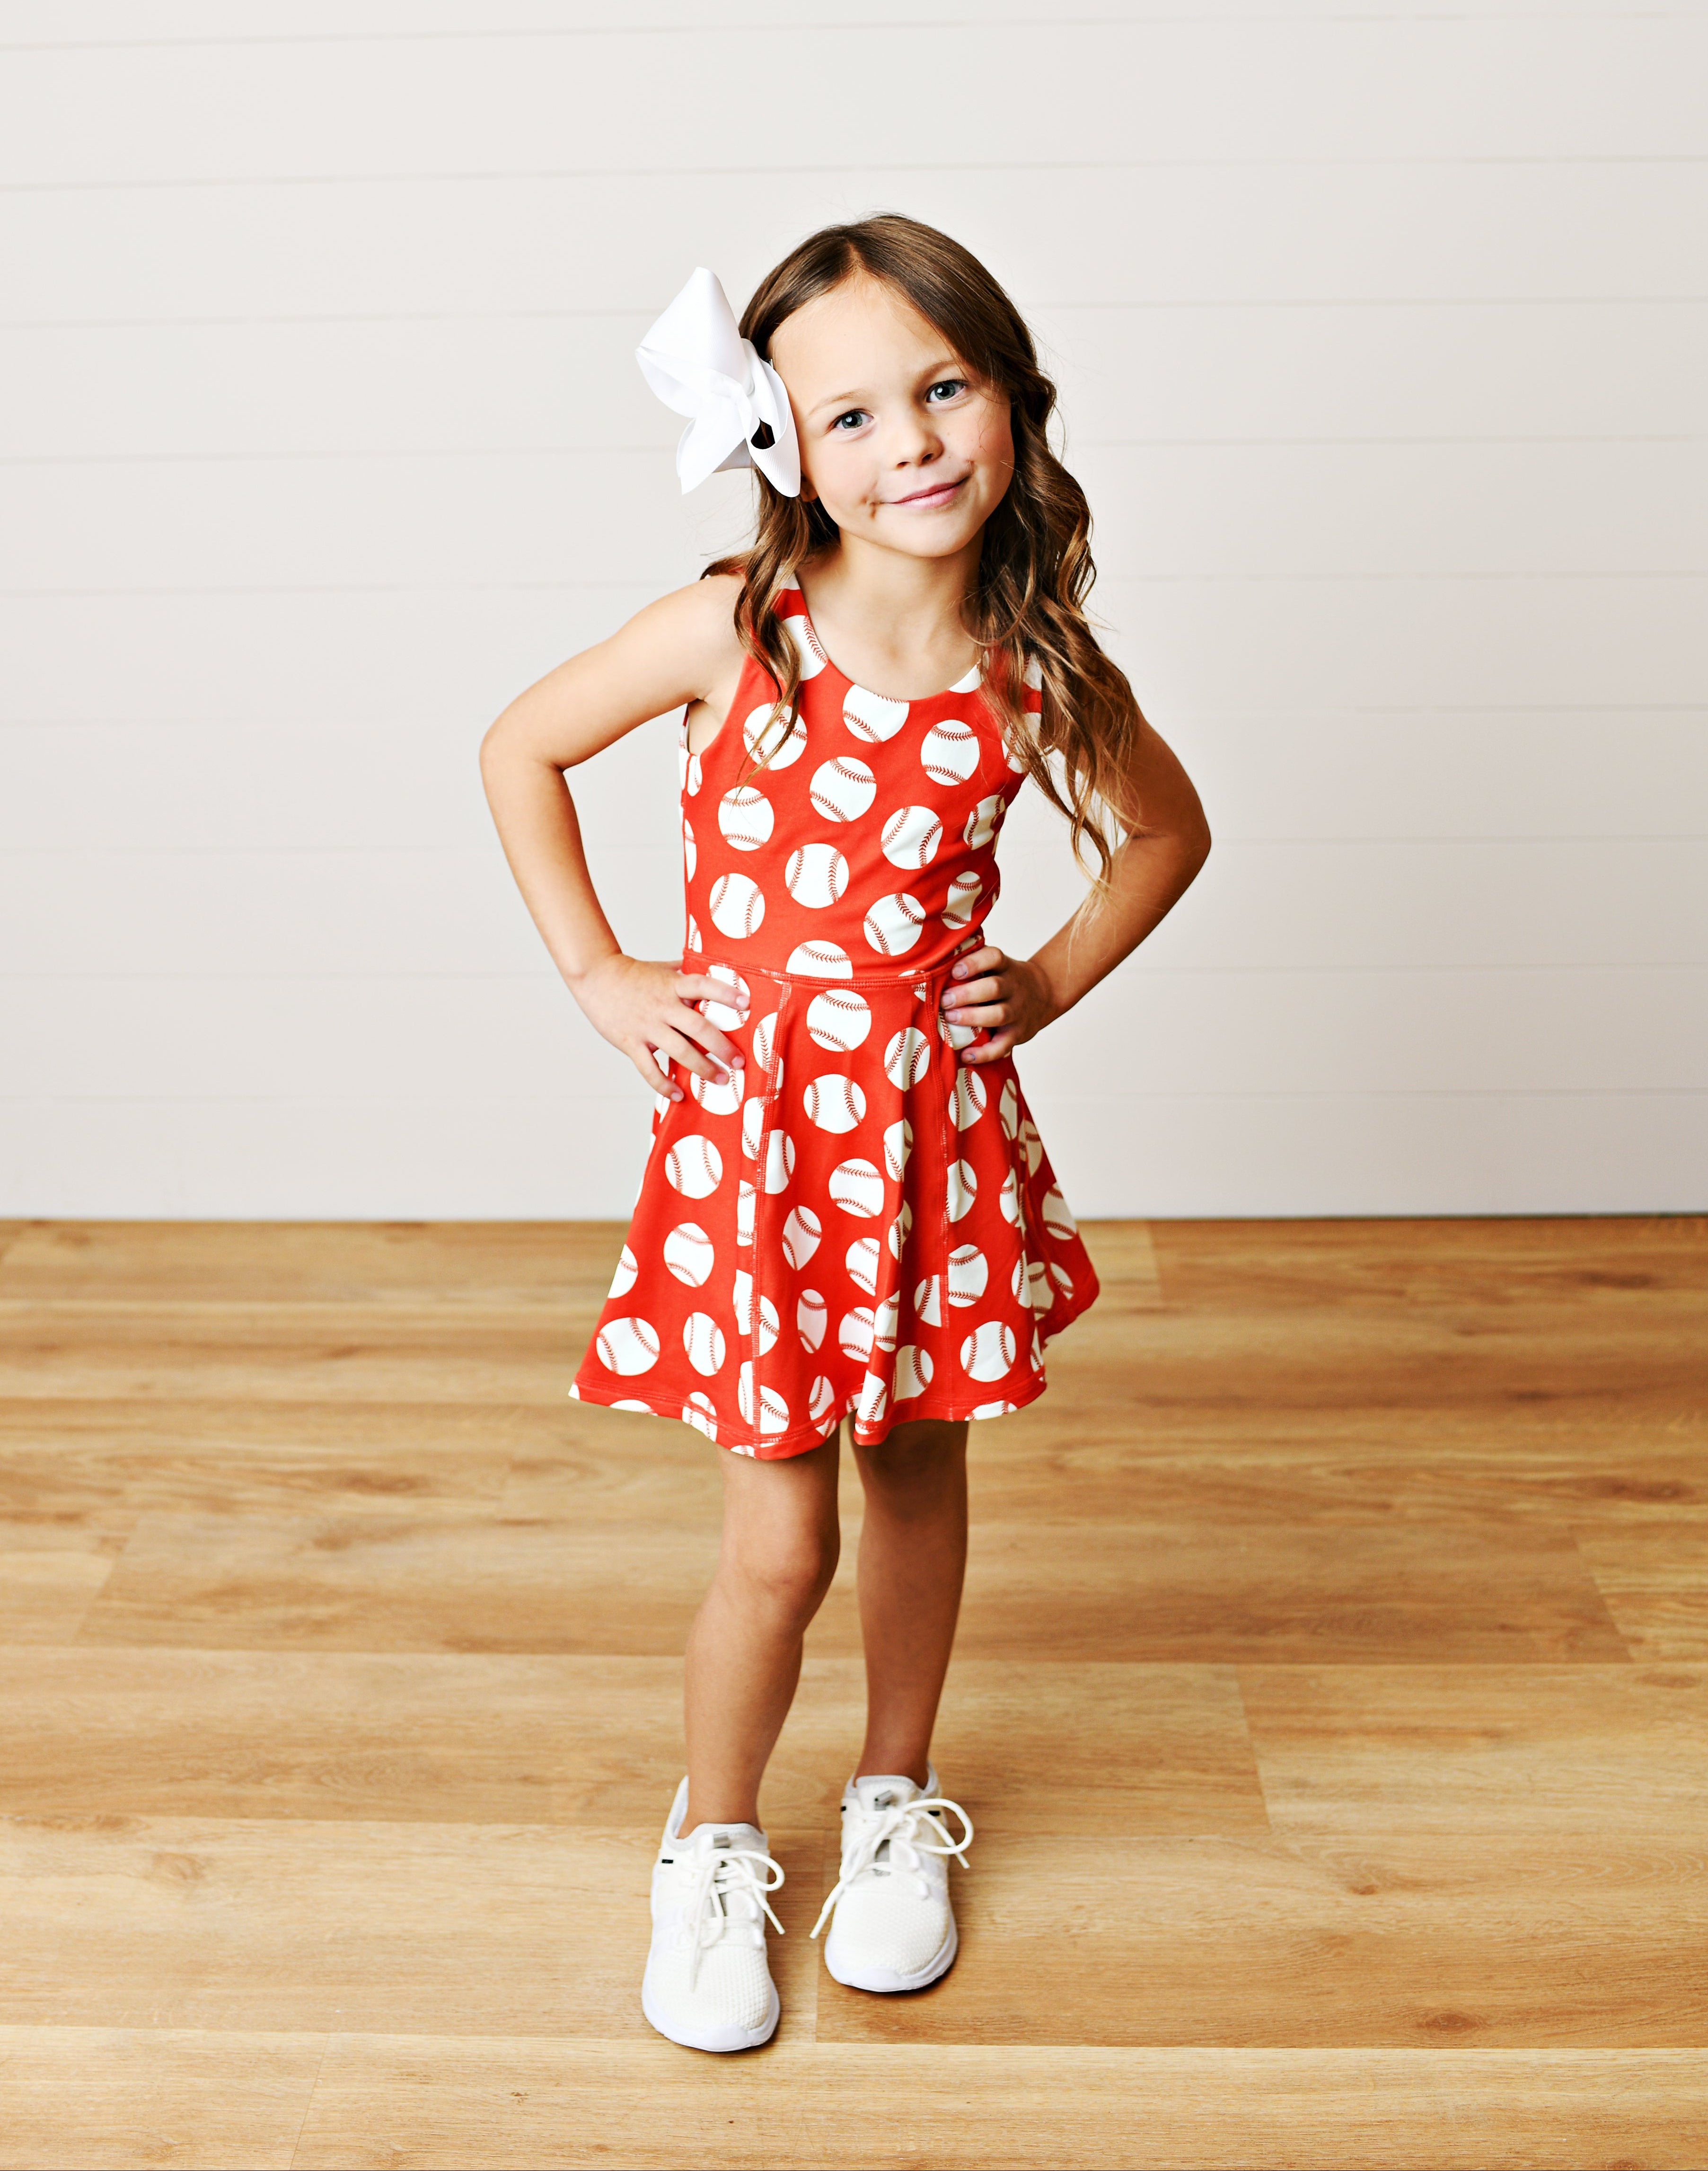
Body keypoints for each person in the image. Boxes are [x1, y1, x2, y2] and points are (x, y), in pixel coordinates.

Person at [480, 214, 1210, 2053]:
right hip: (769, 1162)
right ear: (785, 450)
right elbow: (519, 747)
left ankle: (895, 1793)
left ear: (1009, 393)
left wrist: (1041, 981)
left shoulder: (1033, 664)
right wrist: (599, 970)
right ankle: (714, 1834)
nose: (914, 445)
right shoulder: (737, 631)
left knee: (918, 1478)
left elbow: (1166, 833)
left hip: (931, 1150)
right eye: (856, 416)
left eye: (943, 389)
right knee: (781, 1543)